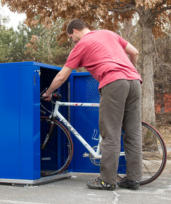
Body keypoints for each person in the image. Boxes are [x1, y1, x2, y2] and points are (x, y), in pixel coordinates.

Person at [42, 19, 142, 190]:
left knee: (110, 133)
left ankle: (107, 180)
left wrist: (48, 92)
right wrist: (128, 72)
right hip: (134, 81)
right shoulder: (109, 33)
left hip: (113, 82)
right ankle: (133, 179)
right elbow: (135, 52)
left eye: (71, 37)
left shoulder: (81, 45)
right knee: (133, 133)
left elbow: (61, 77)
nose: (73, 41)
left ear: (75, 31)